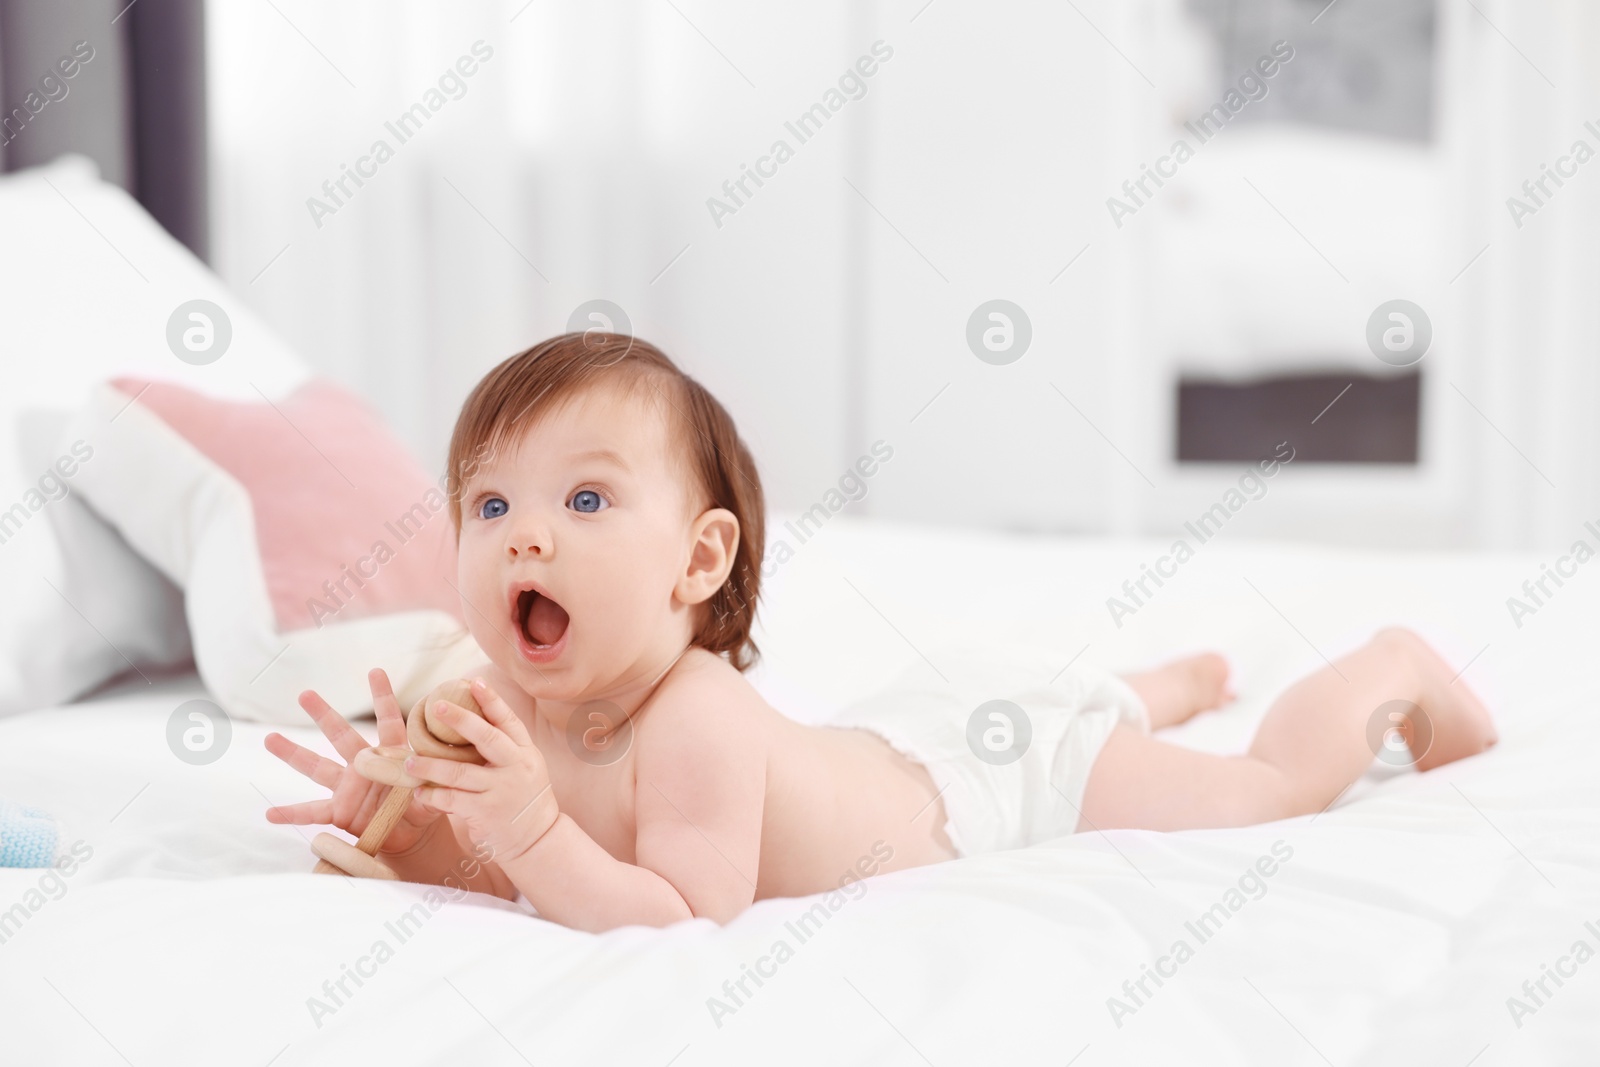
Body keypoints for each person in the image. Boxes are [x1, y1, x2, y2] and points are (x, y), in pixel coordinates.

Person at [263, 332, 1497, 933]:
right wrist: (409, 828)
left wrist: (525, 824)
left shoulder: (690, 714)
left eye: (584, 499)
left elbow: (680, 915)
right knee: (1079, 693)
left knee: (1254, 790)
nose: (525, 535)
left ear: (699, 560)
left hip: (999, 778)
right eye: (490, 503)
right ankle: (1150, 682)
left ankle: (1387, 665)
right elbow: (510, 866)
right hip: (907, 727)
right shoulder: (496, 697)